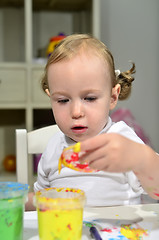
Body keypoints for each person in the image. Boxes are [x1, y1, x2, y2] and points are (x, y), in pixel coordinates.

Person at [25, 34, 157, 210]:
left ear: (112, 97)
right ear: (51, 98)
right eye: (63, 100)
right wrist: (19, 201)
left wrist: (140, 158)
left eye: (89, 98)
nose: (76, 112)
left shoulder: (121, 139)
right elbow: (42, 200)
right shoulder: (53, 147)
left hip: (117, 232)